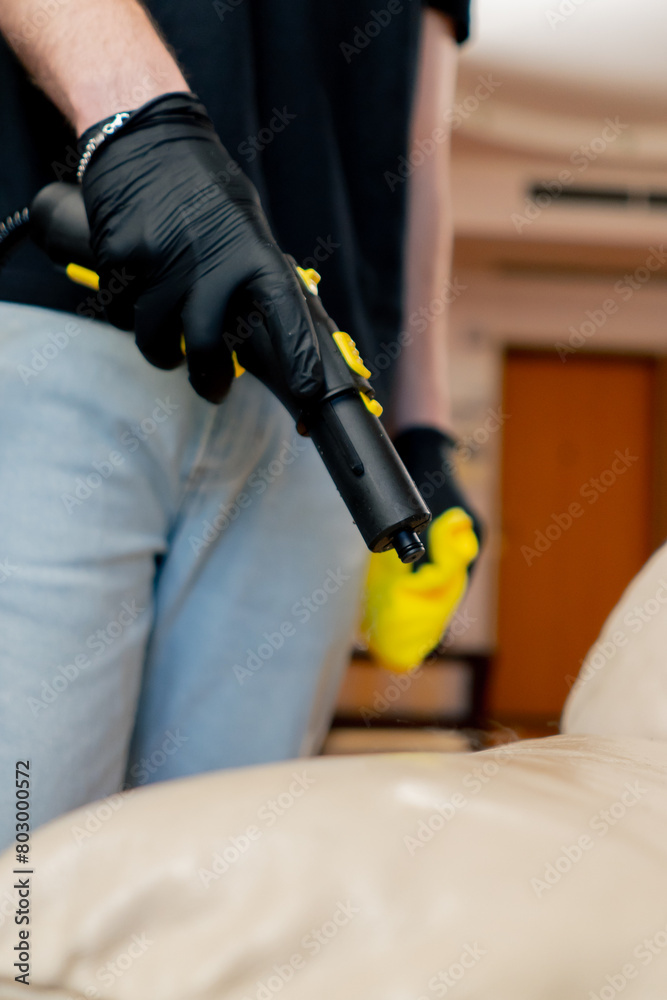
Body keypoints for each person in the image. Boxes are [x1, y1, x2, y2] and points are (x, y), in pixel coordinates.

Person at [0, 0, 474, 851]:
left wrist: (419, 430)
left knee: (224, 895)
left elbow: (414, 129)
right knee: (24, 885)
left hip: (313, 393)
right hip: (57, 326)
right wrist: (139, 125)